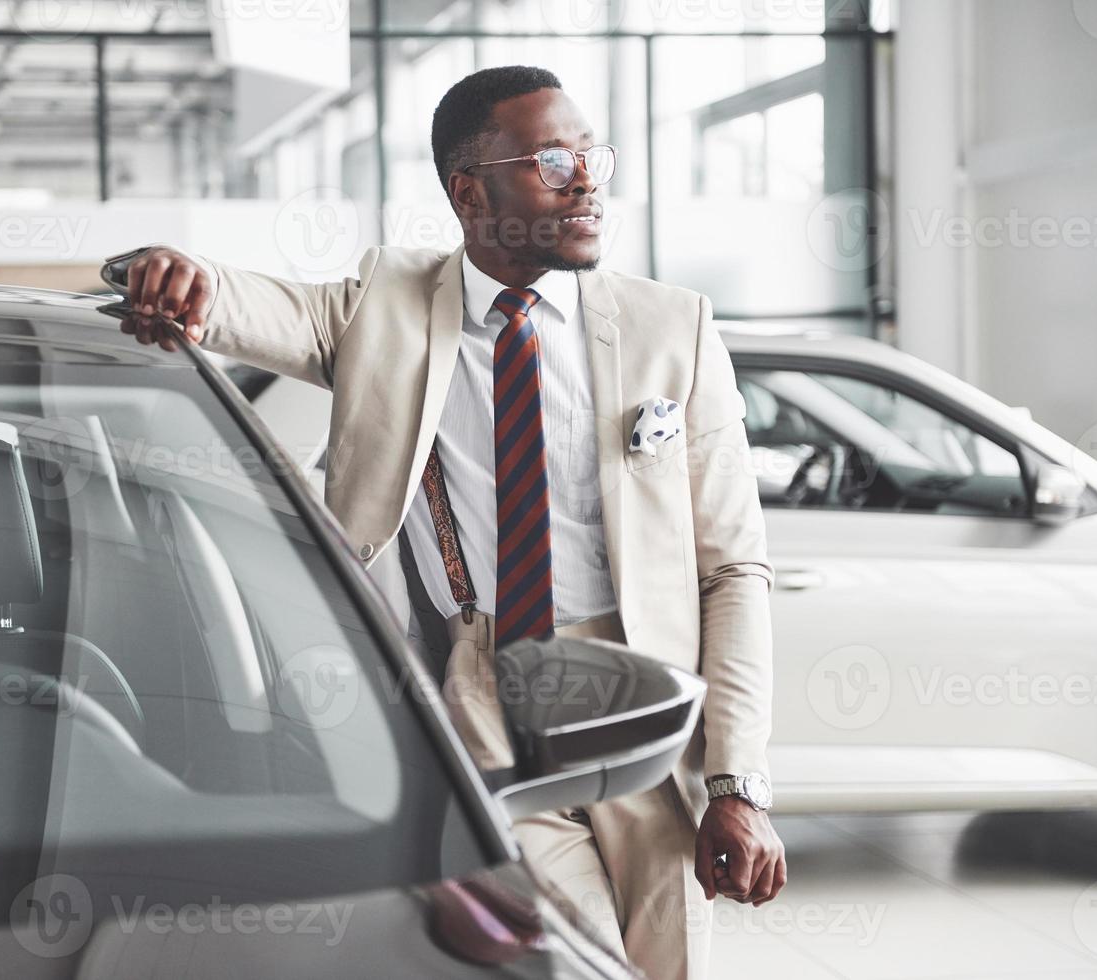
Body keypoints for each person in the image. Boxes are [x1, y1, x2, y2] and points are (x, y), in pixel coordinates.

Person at [108, 64, 786, 979]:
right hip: (480, 691)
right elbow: (238, 302)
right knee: (566, 956)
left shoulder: (674, 328)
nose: (585, 179)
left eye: (592, 156)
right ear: (470, 191)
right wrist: (159, 269)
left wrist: (736, 784)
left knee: (670, 961)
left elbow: (731, 570)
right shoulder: (383, 305)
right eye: (552, 159)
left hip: (642, 700)